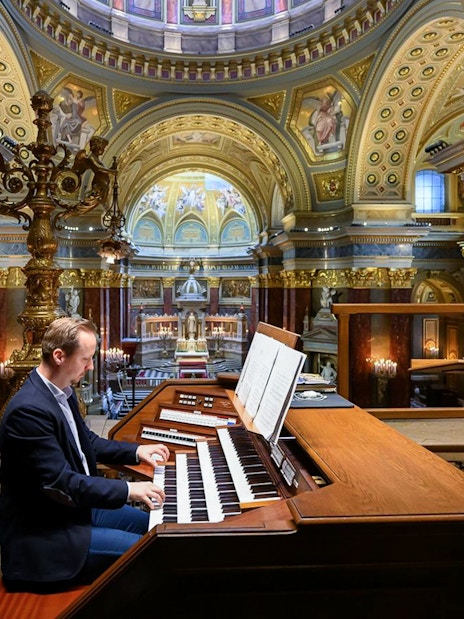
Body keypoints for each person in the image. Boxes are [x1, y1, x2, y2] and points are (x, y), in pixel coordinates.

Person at [0, 316, 170, 592]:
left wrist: (137, 451)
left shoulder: (60, 391)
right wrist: (130, 490)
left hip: (75, 513)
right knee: (156, 553)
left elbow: (86, 442)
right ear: (59, 356)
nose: (91, 366)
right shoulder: (28, 411)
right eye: (86, 359)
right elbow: (64, 482)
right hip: (47, 537)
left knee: (160, 527)